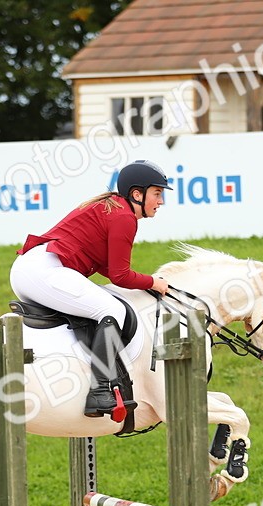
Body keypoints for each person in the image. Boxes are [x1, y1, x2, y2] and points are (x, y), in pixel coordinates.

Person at [11, 160, 172, 419]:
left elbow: (108, 269)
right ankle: (99, 391)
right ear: (137, 194)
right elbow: (120, 275)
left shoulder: (113, 208)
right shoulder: (124, 217)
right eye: (157, 193)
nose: (161, 201)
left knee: (96, 307)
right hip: (43, 270)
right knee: (112, 309)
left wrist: (144, 282)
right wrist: (152, 282)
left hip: (31, 269)